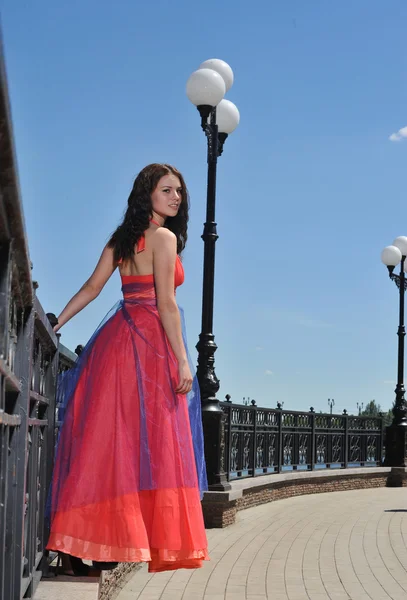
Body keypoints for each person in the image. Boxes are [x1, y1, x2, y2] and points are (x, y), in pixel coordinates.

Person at [46, 163, 209, 575]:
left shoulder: (122, 240)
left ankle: (79, 544)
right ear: (148, 195)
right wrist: (183, 360)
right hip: (151, 348)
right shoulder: (164, 238)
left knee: (106, 447)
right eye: (168, 190)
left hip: (115, 345)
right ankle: (117, 541)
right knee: (148, 447)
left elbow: (92, 287)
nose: (177, 198)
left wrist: (57, 321)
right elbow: (167, 304)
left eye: (179, 192)